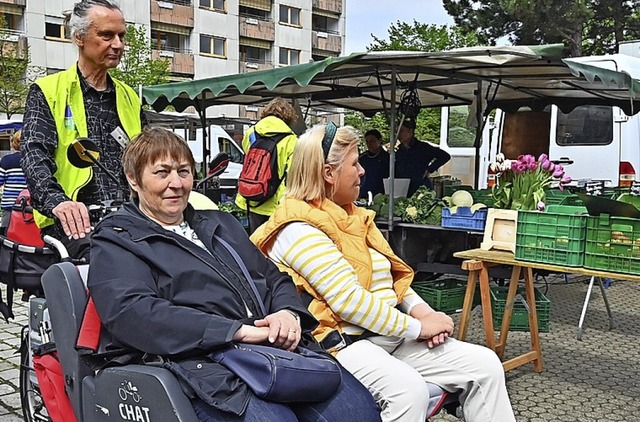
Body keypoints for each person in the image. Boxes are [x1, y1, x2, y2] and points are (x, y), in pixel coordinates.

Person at [87, 127, 381, 422]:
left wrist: (287, 313)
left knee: (360, 412)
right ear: (133, 179)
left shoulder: (221, 224)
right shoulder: (118, 239)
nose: (176, 183)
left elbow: (273, 276)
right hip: (198, 363)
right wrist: (234, 332)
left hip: (271, 351)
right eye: (162, 173)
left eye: (184, 171)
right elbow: (133, 312)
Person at [252, 123, 516, 422]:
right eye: (355, 163)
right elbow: (349, 302)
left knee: (485, 365)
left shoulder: (352, 215)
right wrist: (418, 328)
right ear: (328, 173)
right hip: (343, 345)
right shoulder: (298, 228)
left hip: (388, 336)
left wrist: (423, 312)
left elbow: (388, 276)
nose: (362, 171)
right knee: (408, 392)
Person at [20, 0, 144, 260]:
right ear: (79, 37)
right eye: (106, 35)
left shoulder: (130, 96)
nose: (118, 45)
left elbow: (147, 155)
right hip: (76, 220)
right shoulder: (48, 90)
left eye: (121, 36)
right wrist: (57, 202)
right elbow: (34, 155)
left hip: (131, 214)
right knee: (108, 262)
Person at [235, 97, 298, 233]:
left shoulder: (251, 133)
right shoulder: (291, 140)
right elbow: (290, 176)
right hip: (275, 204)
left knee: (254, 243)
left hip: (251, 197)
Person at [395, 119, 450, 197]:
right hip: (403, 189)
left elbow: (445, 156)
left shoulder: (423, 147)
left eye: (401, 131)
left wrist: (429, 169)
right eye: (397, 132)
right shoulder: (399, 150)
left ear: (410, 131)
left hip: (421, 188)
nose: (398, 135)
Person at [0, 130, 28, 231]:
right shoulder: (33, 160)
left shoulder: (7, 160)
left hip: (9, 205)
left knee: (6, 233)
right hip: (29, 206)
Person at [358, 129, 389, 199]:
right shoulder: (362, 158)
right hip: (363, 195)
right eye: (367, 141)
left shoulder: (387, 158)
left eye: (372, 141)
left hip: (381, 196)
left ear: (380, 140)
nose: (369, 144)